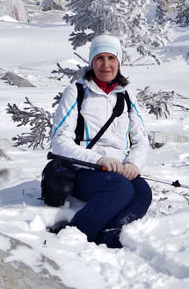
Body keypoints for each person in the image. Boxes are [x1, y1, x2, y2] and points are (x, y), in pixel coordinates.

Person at [49, 34, 152, 248]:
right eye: (100, 58)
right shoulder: (76, 92)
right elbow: (59, 141)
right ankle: (73, 235)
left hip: (120, 170)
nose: (106, 65)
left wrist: (134, 164)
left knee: (143, 192)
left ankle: (109, 234)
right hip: (83, 170)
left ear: (119, 62)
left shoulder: (126, 96)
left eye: (111, 58)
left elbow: (141, 139)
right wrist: (98, 159)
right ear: (91, 62)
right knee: (120, 189)